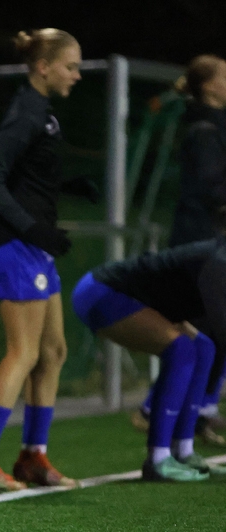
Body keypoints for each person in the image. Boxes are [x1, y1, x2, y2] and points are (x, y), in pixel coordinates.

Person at [0, 29, 96, 491]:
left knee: (53, 351)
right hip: (14, 244)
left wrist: (66, 185)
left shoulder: (42, 112)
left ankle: (34, 457)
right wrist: (33, 228)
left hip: (32, 245)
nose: (76, 75)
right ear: (43, 66)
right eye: (70, 66)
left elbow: (26, 176)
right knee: (24, 352)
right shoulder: (25, 113)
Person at [72, 233, 226, 480]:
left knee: (204, 348)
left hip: (137, 299)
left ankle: (183, 451)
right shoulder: (219, 260)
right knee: (182, 350)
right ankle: (158, 459)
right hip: (102, 292)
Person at [131, 55, 226, 445]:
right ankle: (155, 408)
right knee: (200, 329)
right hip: (198, 239)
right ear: (208, 85)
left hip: (212, 237)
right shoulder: (203, 128)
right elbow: (211, 188)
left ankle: (201, 410)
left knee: (212, 328)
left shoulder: (215, 125)